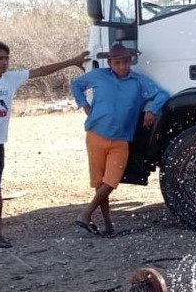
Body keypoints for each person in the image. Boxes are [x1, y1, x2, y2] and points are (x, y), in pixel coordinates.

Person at [0, 41, 88, 248]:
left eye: (6, 58)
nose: (4, 62)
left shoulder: (11, 79)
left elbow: (41, 71)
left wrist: (73, 61)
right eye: (0, 58)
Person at [69, 43, 169, 237]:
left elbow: (161, 94)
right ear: (110, 63)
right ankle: (108, 226)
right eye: (117, 63)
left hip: (121, 139)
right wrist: (85, 107)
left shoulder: (139, 82)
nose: (122, 66)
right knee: (100, 184)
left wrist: (151, 109)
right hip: (96, 135)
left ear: (130, 62)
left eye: (125, 62)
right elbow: (76, 85)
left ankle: (85, 214)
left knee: (111, 181)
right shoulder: (100, 76)